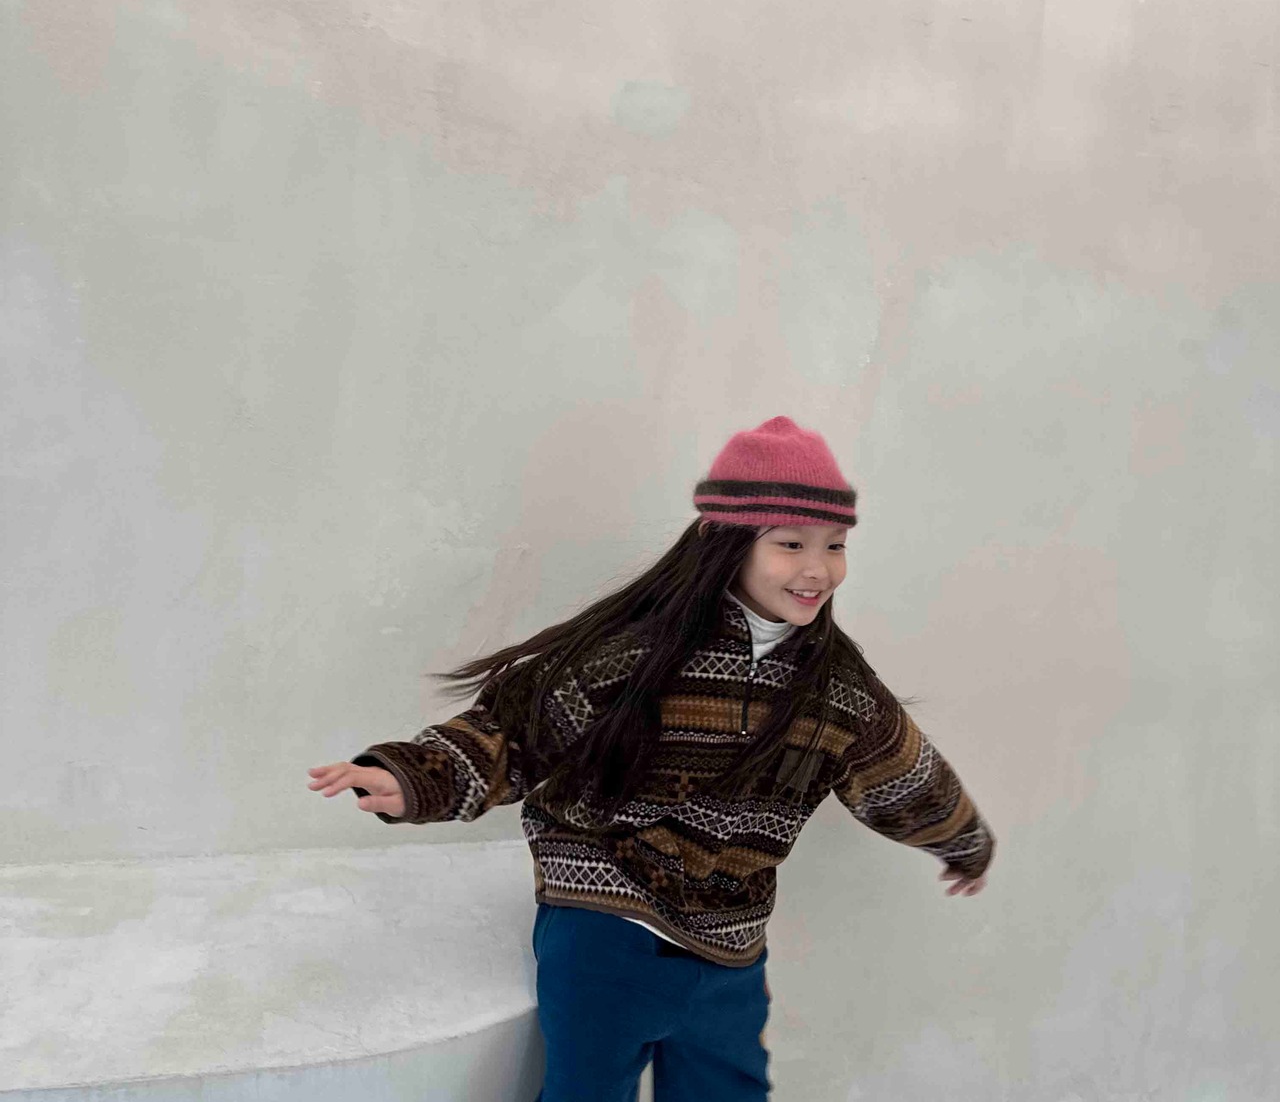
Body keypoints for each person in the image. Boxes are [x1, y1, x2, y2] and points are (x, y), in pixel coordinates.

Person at [307, 415, 996, 1101]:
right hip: (607, 921)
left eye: (836, 545)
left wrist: (963, 841)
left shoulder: (837, 689)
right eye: (791, 544)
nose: (818, 568)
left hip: (729, 944)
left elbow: (902, 773)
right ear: (726, 542)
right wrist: (415, 777)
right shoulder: (636, 653)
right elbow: (515, 734)